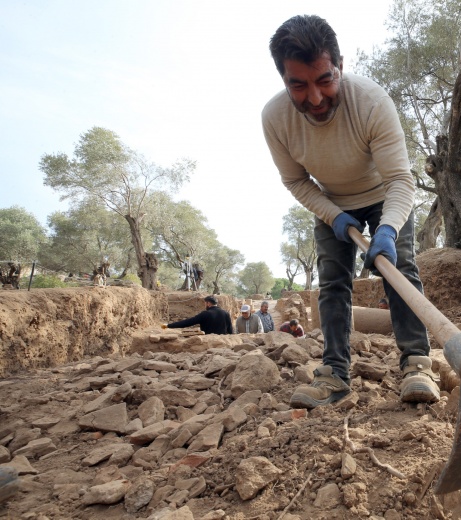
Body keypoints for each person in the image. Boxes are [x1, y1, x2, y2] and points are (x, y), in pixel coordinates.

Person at [263, 15, 439, 409]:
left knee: (401, 271)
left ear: (340, 66)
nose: (314, 98)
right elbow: (295, 181)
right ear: (284, 79)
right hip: (332, 202)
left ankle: (416, 363)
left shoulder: (372, 102)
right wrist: (334, 216)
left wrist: (389, 231)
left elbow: (400, 180)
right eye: (298, 84)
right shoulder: (274, 118)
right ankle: (335, 375)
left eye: (324, 79)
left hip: (384, 194)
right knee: (333, 285)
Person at [163, 295, 232, 335]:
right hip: (222, 341)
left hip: (208, 340)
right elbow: (230, 330)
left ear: (208, 303)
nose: (205, 305)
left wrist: (169, 326)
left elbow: (188, 322)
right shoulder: (225, 313)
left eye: (205, 303)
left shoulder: (205, 314)